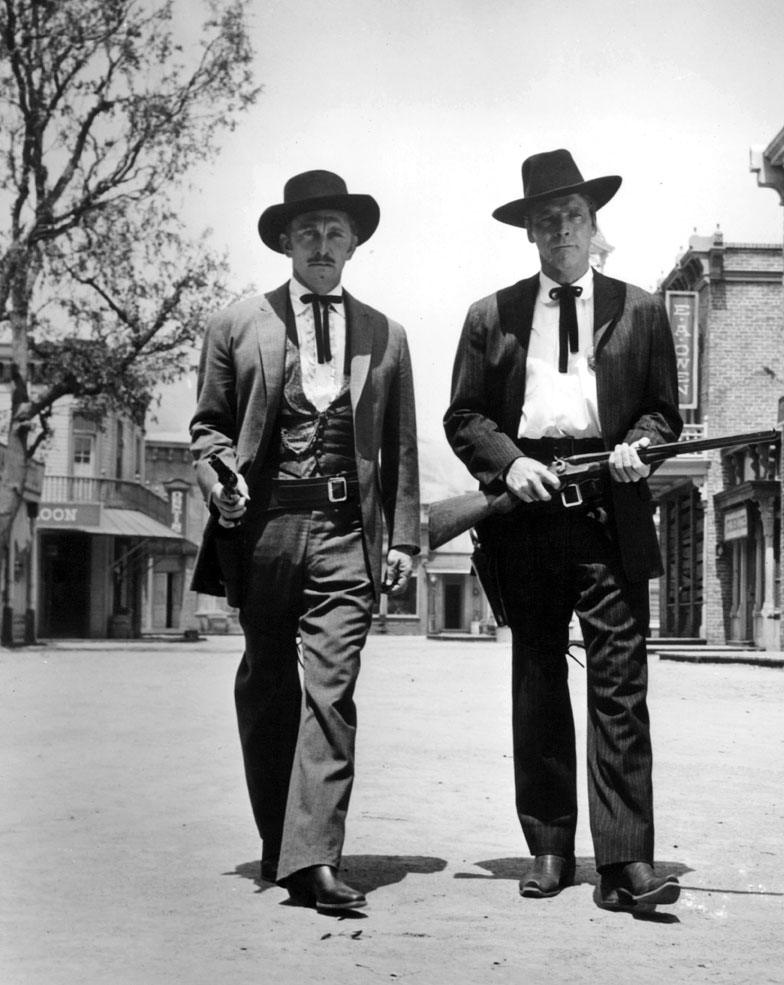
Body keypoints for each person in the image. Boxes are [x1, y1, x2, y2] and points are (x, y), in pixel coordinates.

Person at [443, 149, 683, 912]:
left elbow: (662, 413)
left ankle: (624, 862)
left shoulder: (640, 309)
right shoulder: (492, 315)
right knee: (540, 680)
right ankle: (549, 846)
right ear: (529, 234)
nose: (561, 232)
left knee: (621, 687)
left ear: (592, 223)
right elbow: (465, 416)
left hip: (609, 515)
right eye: (545, 221)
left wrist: (637, 447)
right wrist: (509, 465)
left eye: (573, 217)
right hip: (527, 516)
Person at [190, 170, 420, 912]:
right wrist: (217, 476)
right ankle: (279, 842)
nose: (323, 245)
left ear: (354, 243)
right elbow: (208, 429)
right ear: (287, 242)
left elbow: (400, 448)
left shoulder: (387, 334)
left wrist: (404, 539)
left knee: (332, 690)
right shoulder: (235, 324)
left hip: (346, 533)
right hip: (262, 531)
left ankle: (315, 858)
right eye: (309, 232)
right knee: (269, 686)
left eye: (335, 233)